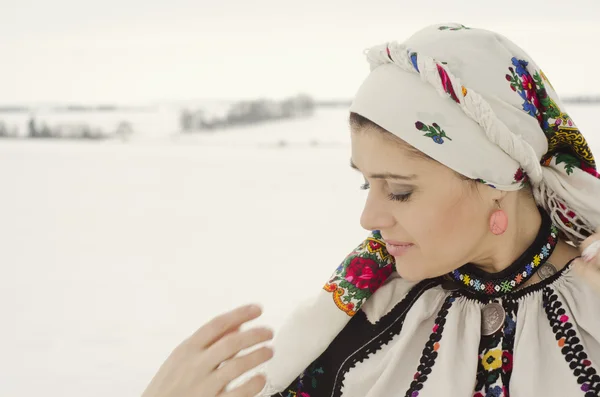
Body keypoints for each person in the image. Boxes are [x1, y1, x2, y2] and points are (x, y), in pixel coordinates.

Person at [141, 23, 600, 397]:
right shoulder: (365, 323)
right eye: (366, 182)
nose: (369, 218)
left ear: (498, 182)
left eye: (400, 191)